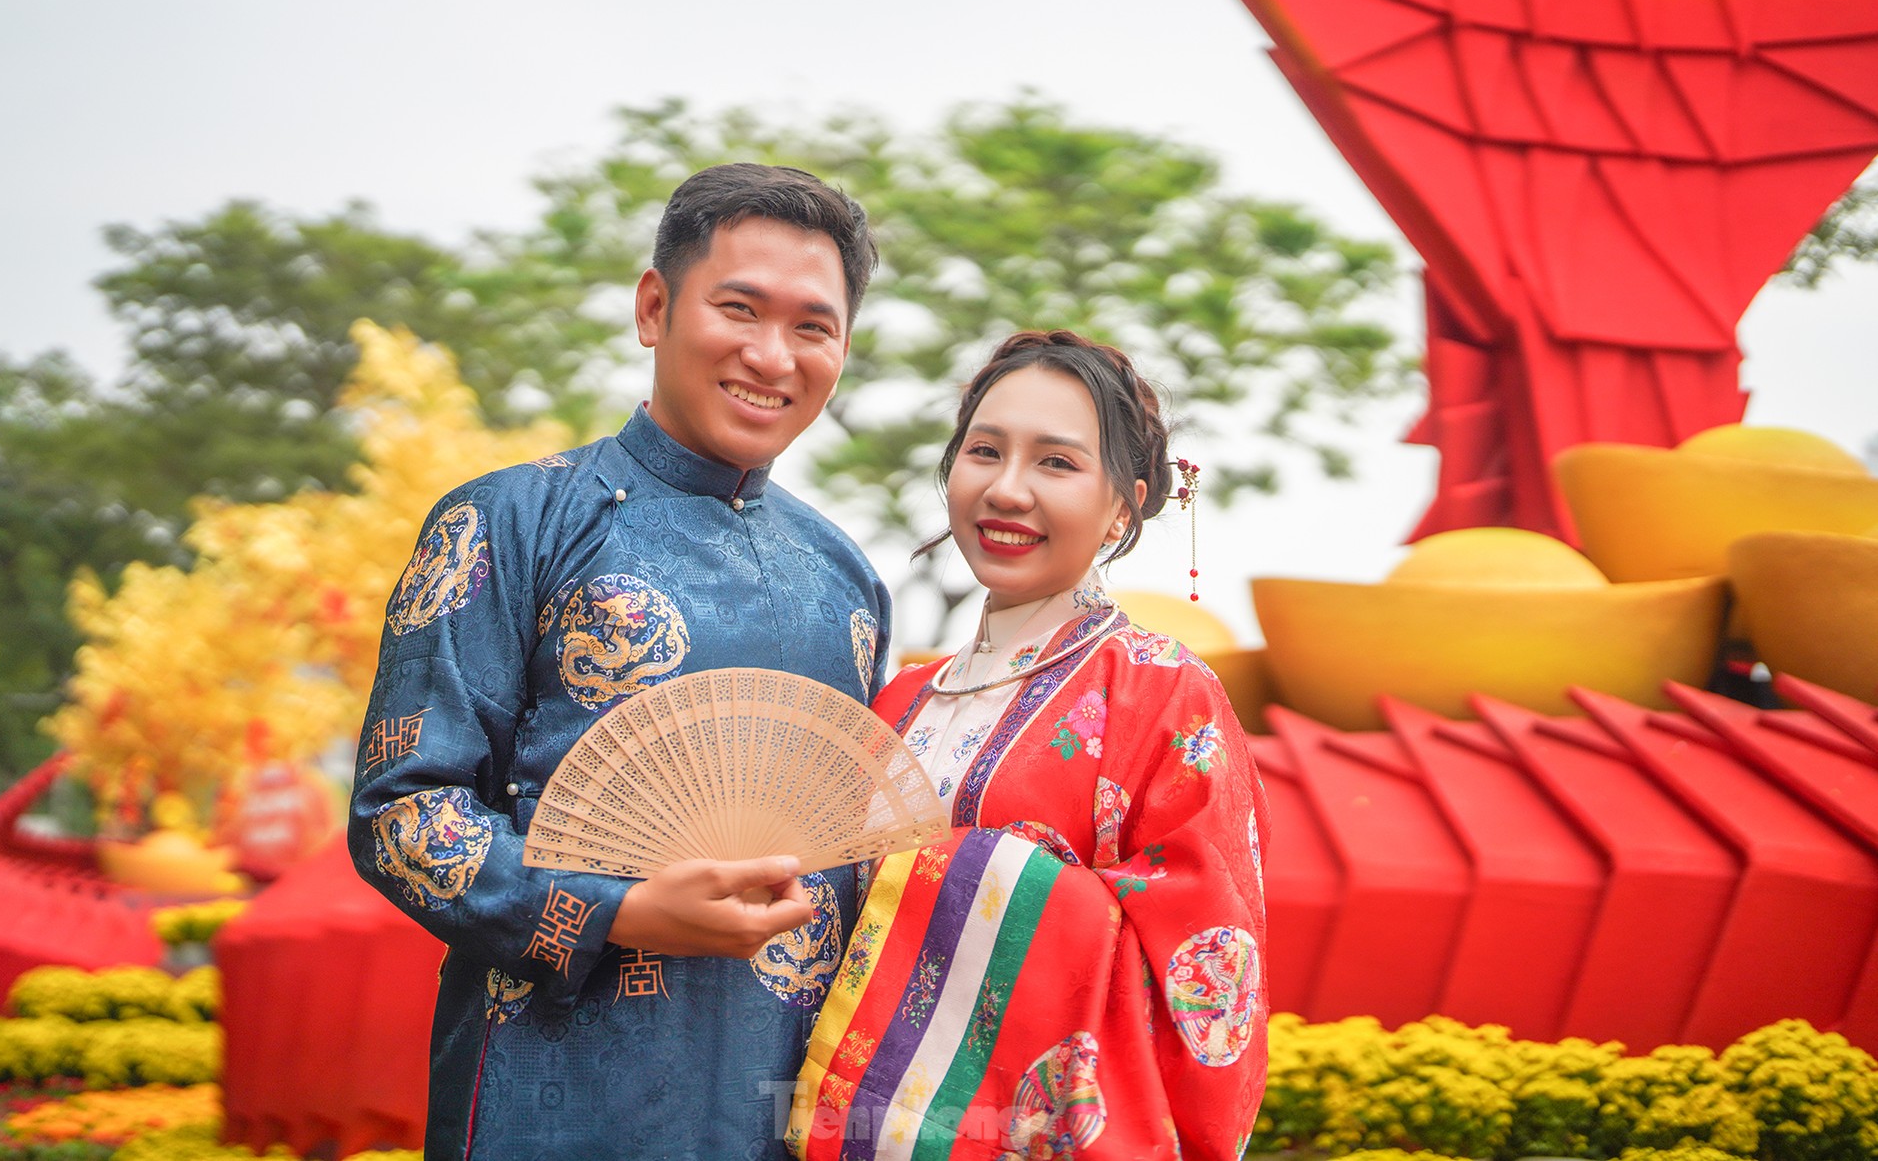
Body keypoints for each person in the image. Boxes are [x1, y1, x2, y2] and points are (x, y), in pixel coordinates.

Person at [349, 163, 894, 1161]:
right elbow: (402, 814)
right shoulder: (509, 519)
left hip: (779, 1110)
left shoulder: (846, 576)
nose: (771, 354)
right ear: (654, 307)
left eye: (812, 326)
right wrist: (623, 911)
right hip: (551, 1103)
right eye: (739, 308)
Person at [789, 331, 1269, 1161]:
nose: (1006, 490)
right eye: (984, 452)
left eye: (1056, 463)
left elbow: (1207, 982)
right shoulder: (898, 699)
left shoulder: (1164, 695)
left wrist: (958, 876)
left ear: (1126, 504)